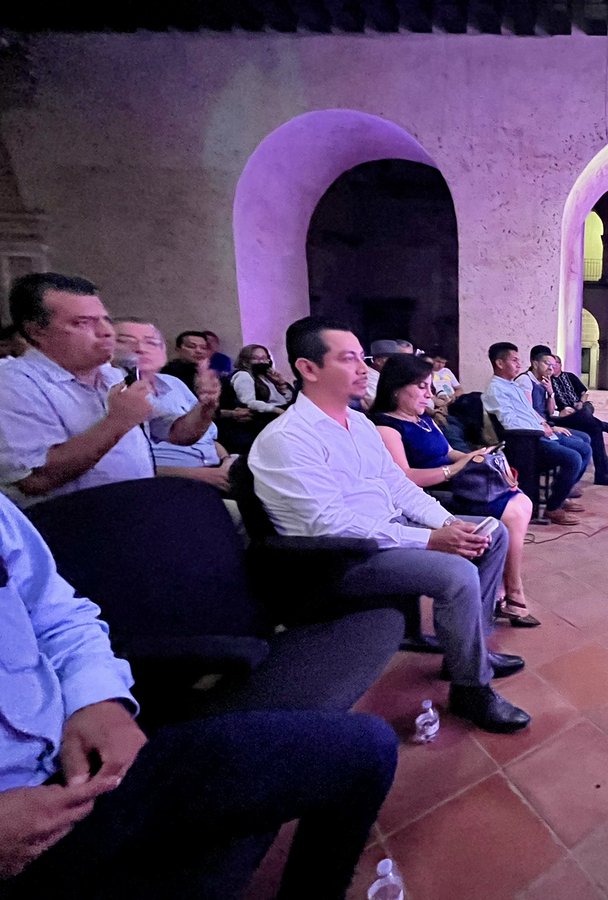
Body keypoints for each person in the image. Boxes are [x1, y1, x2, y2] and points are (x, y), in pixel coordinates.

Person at [0, 491, 398, 898]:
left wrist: (96, 697)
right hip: (12, 835)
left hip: (84, 764)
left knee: (368, 748)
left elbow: (55, 615)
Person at [249, 316, 530, 734]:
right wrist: (431, 540)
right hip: (338, 557)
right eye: (348, 359)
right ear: (308, 368)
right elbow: (330, 524)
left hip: (385, 531)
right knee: (454, 572)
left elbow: (398, 487)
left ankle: (469, 653)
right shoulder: (288, 438)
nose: (364, 369)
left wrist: (450, 523)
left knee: (490, 531)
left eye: (362, 358)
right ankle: (471, 689)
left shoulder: (358, 424)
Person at [0, 273, 219, 507]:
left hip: (138, 506)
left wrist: (205, 407)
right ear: (36, 331)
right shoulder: (15, 383)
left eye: (104, 319)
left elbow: (177, 433)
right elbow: (35, 480)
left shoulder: (111, 375)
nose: (106, 332)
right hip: (72, 522)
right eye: (82, 323)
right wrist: (117, 422)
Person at [369, 353, 540, 627]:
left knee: (520, 501)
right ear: (396, 388)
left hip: (453, 482)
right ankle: (511, 589)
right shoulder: (385, 426)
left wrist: (480, 458)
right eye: (421, 386)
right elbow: (406, 479)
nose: (429, 394)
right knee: (515, 510)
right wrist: (458, 469)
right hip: (429, 495)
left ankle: (504, 589)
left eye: (429, 386)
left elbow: (449, 452)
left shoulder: (423, 420)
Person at [114, 318, 235, 492]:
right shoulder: (107, 389)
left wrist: (206, 405)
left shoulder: (172, 383)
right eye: (126, 341)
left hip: (214, 466)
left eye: (151, 342)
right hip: (162, 484)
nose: (141, 349)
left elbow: (180, 433)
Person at [483, 341, 592, 526]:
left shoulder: (512, 385)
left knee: (584, 448)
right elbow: (509, 422)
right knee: (573, 458)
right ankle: (553, 507)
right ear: (500, 363)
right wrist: (541, 429)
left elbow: (530, 411)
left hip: (538, 432)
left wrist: (545, 424)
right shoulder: (496, 389)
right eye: (514, 360)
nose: (519, 364)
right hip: (527, 440)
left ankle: (560, 493)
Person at [520, 346, 608, 487]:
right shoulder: (529, 380)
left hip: (575, 411)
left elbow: (583, 393)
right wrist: (556, 415)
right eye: (548, 364)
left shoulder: (556, 378)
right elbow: (534, 411)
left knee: (590, 419)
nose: (551, 368)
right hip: (556, 418)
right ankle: (601, 466)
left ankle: (600, 471)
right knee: (593, 426)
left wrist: (551, 393)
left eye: (553, 365)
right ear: (535, 363)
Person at [231, 344, 294, 416]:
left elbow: (288, 399)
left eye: (264, 358)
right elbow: (248, 402)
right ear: (245, 361)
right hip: (269, 416)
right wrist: (276, 410)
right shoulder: (243, 375)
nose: (261, 362)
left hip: (284, 411)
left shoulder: (267, 376)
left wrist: (281, 384)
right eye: (255, 358)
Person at [363, 339, 407, 409]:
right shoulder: (367, 376)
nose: (396, 364)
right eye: (392, 360)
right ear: (378, 361)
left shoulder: (389, 375)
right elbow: (377, 404)